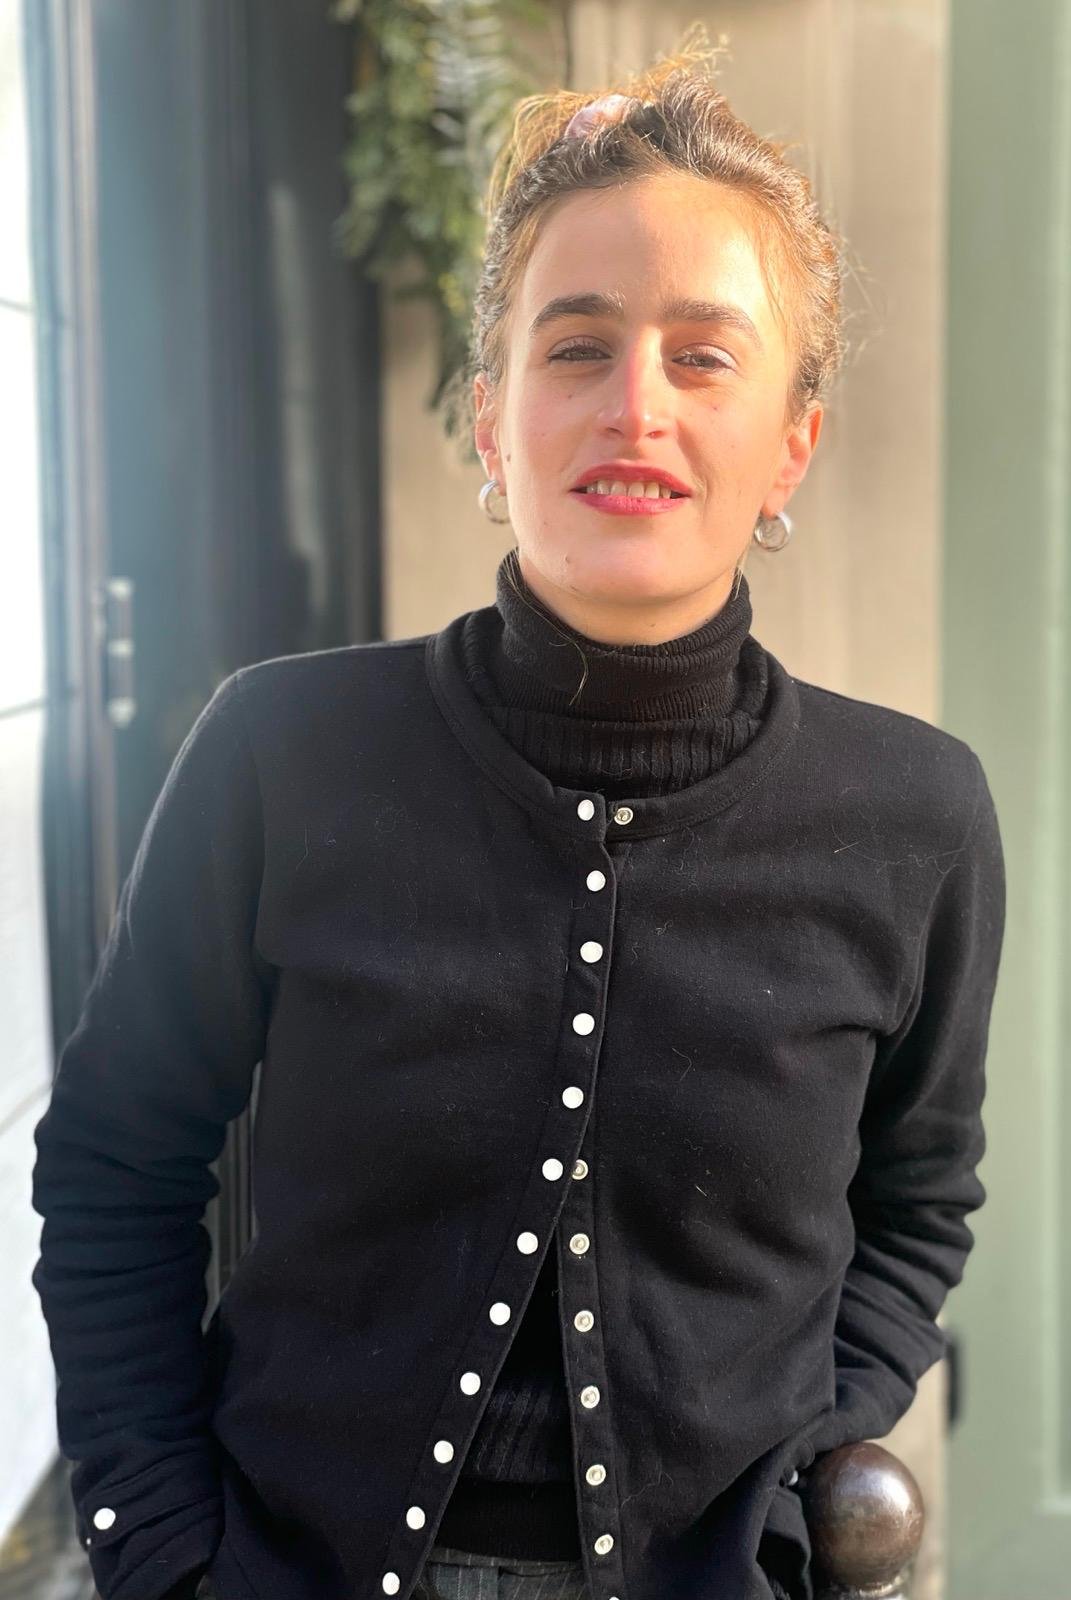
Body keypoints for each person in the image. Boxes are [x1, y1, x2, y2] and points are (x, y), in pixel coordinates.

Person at [30, 29, 1007, 1600]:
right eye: (574, 346)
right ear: (490, 420)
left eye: (704, 353)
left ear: (791, 444)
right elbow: (114, 1170)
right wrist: (156, 1547)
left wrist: (798, 1469)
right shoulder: (281, 753)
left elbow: (919, 1202)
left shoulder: (916, 818)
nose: (636, 403)